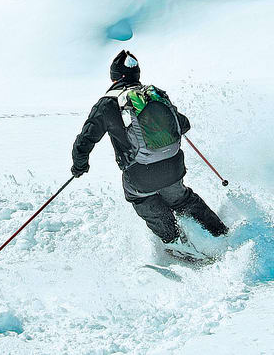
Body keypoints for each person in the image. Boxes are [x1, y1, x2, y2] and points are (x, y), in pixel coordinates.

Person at [71, 50, 228, 248]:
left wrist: (79, 166)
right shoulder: (155, 94)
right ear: (137, 75)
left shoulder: (107, 104)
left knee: (140, 198)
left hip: (140, 175)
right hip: (173, 167)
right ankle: (220, 233)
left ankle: (177, 243)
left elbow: (84, 140)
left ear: (114, 78)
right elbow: (184, 124)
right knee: (181, 198)